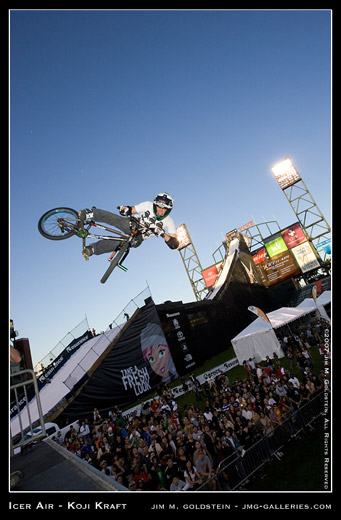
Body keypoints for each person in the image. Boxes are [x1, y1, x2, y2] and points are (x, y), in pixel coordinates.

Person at [79, 193, 179, 259]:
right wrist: (125, 209)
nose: (160, 211)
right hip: (133, 224)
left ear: (168, 210)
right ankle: (92, 213)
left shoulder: (169, 222)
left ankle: (93, 249)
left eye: (164, 209)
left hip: (140, 236)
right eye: (159, 207)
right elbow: (132, 210)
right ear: (155, 205)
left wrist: (162, 234)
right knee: (119, 221)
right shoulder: (148, 205)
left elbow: (174, 244)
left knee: (127, 243)